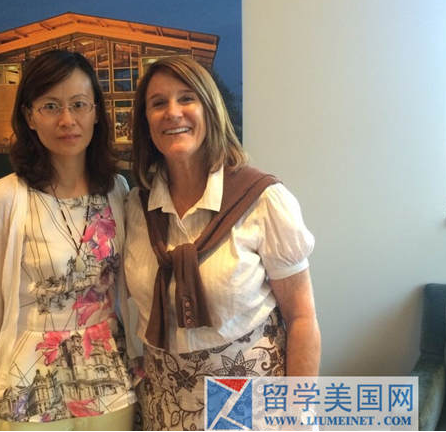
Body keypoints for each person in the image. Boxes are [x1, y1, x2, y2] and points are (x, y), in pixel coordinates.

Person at [123, 56, 321, 430]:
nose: (172, 112)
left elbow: (302, 317)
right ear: (145, 122)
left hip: (249, 405)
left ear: (210, 109)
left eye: (187, 98)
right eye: (158, 103)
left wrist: (298, 413)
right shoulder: (135, 207)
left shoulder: (263, 199)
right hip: (165, 405)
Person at [0, 50, 137, 431]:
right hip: (31, 372)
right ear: (30, 116)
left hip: (108, 368)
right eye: (50, 106)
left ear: (96, 112)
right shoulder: (5, 197)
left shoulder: (116, 189)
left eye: (79, 104)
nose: (67, 120)